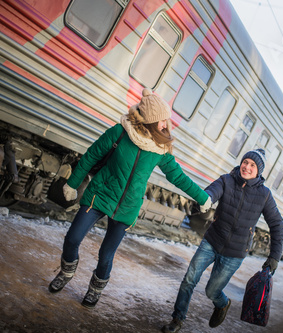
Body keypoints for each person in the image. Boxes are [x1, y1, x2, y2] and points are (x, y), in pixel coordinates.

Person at [49, 88, 212, 308]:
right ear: (151, 120)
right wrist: (72, 184)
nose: (166, 125)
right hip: (100, 195)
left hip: (127, 207)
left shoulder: (160, 149)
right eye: (162, 121)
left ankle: (95, 289)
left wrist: (202, 197)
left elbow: (178, 177)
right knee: (72, 238)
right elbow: (91, 156)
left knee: (106, 255)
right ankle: (66, 272)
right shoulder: (120, 132)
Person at [161, 148, 283, 332]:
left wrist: (274, 256)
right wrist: (205, 200)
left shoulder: (264, 195)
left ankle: (222, 303)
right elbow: (212, 192)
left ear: (259, 171)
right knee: (189, 279)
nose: (247, 167)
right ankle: (177, 320)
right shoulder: (226, 180)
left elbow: (277, 224)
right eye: (245, 162)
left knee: (211, 291)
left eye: (252, 165)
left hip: (235, 253)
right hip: (212, 241)